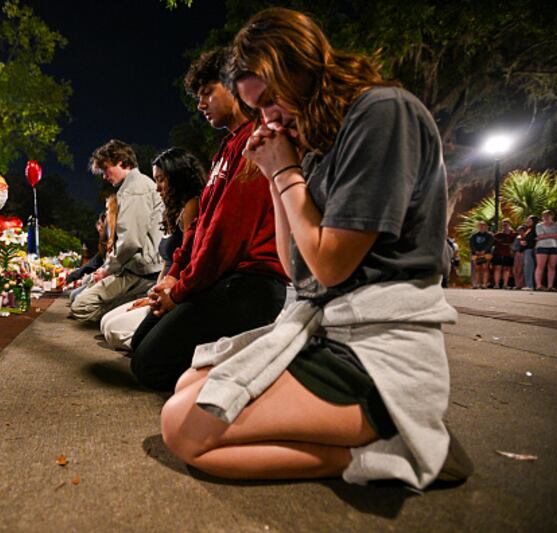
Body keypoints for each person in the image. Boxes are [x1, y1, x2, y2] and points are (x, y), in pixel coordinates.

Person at [160, 7, 470, 489]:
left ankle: (399, 449)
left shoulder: (383, 111)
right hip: (330, 326)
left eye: (270, 99)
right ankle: (375, 439)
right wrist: (274, 174)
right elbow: (297, 269)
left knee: (183, 430)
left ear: (298, 68)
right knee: (188, 383)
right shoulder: (320, 140)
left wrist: (285, 171)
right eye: (258, 109)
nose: (269, 118)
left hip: (378, 347)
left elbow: (330, 266)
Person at [129, 47, 289, 391]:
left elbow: (226, 236)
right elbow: (200, 227)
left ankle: (251, 374)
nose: (201, 104)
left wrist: (180, 292)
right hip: (217, 279)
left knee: (149, 366)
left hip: (251, 284)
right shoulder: (224, 151)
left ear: (234, 86)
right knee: (139, 344)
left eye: (206, 93)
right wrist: (173, 277)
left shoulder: (258, 141)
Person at [100, 148, 204, 351]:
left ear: (178, 177)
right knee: (106, 323)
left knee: (114, 330)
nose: (157, 188)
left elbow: (187, 259)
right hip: (162, 289)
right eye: (155, 180)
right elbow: (167, 262)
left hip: (177, 293)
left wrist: (163, 297)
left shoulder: (193, 205)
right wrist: (152, 296)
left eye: (161, 180)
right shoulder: (172, 210)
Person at [70, 140, 163, 322]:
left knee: (80, 306)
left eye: (106, 169)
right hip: (135, 267)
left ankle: (135, 303)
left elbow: (129, 242)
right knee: (78, 294)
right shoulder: (133, 186)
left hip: (142, 272)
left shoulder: (135, 189)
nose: (104, 176)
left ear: (121, 161)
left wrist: (107, 270)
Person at [534, 210, 557, 290]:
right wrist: (554, 235)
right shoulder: (539, 225)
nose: (545, 217)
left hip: (555, 246)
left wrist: (545, 235)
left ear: (552, 216)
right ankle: (538, 285)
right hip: (542, 246)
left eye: (548, 215)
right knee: (540, 266)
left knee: (552, 267)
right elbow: (540, 236)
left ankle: (550, 286)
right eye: (544, 216)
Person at [491, 219, 516, 289]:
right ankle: (496, 284)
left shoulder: (514, 234)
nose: (504, 226)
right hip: (498, 253)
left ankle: (505, 284)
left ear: (509, 225)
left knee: (507, 269)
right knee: (497, 268)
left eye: (506, 224)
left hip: (508, 253)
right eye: (503, 225)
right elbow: (493, 243)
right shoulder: (498, 234)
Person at [469, 221, 494, 289]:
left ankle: (484, 284)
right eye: (480, 226)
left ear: (486, 227)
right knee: (477, 269)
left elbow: (490, 244)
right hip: (476, 254)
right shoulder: (474, 235)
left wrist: (484, 251)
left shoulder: (489, 236)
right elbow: (471, 244)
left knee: (485, 268)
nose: (482, 227)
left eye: (483, 226)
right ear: (478, 227)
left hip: (486, 254)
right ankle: (477, 284)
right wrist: (475, 251)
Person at [519, 216, 538, 290]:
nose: (527, 221)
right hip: (526, 249)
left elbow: (535, 239)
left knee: (529, 267)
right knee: (527, 267)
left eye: (529, 221)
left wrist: (526, 242)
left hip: (531, 249)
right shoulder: (527, 229)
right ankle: (528, 284)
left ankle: (530, 285)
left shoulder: (536, 229)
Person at [511, 224, 527, 289]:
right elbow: (514, 247)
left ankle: (521, 284)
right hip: (517, 254)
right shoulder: (517, 237)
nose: (520, 231)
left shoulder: (526, 237)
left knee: (521, 270)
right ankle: (517, 284)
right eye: (519, 230)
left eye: (522, 230)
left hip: (523, 254)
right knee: (515, 270)